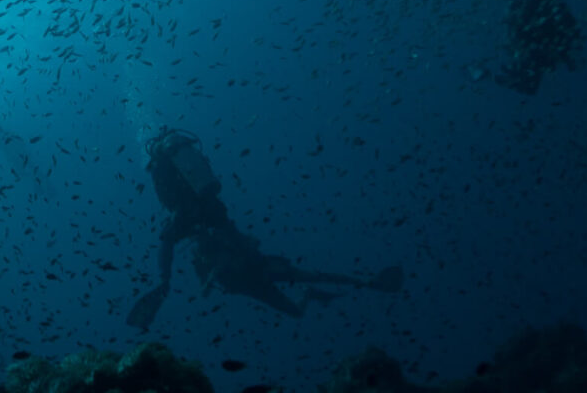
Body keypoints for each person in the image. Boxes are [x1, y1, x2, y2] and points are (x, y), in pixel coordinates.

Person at [127, 128, 402, 329]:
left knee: (307, 279)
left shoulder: (196, 225)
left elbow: (177, 244)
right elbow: (216, 237)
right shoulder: (206, 218)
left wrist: (168, 281)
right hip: (249, 276)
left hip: (253, 270)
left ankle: (368, 282)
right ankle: (352, 285)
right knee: (302, 296)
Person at [497, 0, 583, 95]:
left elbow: (567, 25)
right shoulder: (542, 3)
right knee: (533, 60)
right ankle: (522, 77)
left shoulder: (541, 4)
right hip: (543, 43)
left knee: (533, 59)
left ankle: (522, 77)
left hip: (544, 42)